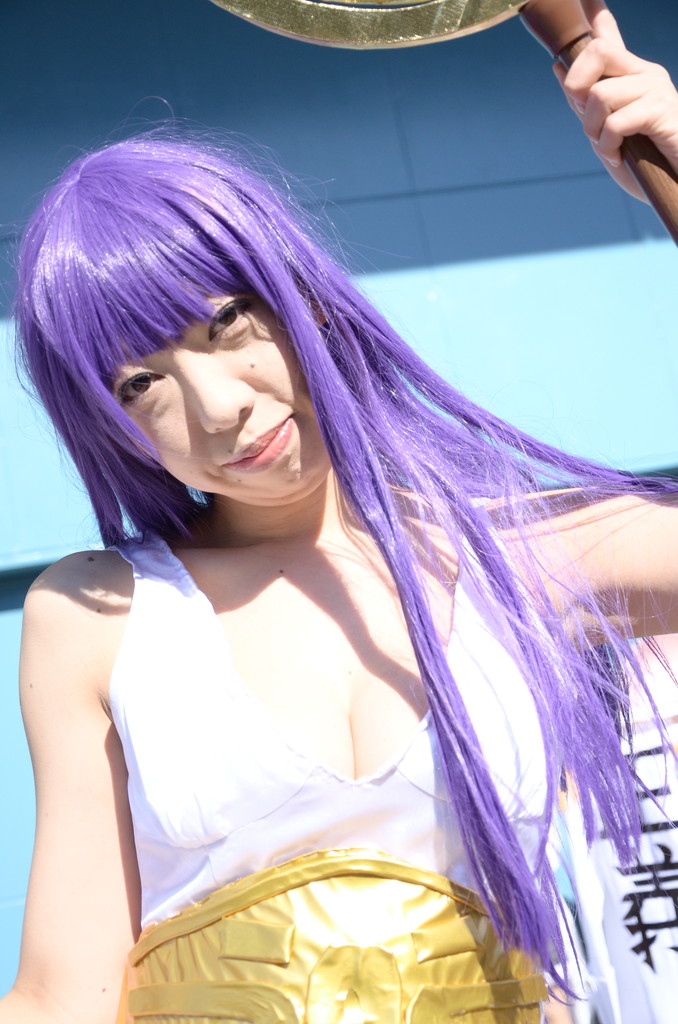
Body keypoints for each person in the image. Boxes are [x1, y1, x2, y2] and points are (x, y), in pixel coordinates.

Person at [3, 3, 678, 1022]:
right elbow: (63, 994)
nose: (217, 405)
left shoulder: (521, 559)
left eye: (228, 322)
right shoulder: (103, 617)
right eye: (140, 384)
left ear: (303, 297)